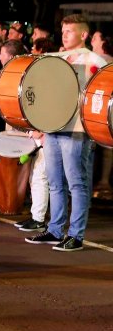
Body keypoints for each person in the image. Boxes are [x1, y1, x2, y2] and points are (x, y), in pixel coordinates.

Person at [25, 14, 108, 251]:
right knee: (55, 182)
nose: (64, 35)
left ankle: (75, 235)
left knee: (76, 183)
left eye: (69, 31)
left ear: (83, 34)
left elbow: (103, 94)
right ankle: (55, 230)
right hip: (53, 127)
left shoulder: (96, 60)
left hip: (78, 130)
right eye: (63, 31)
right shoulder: (57, 58)